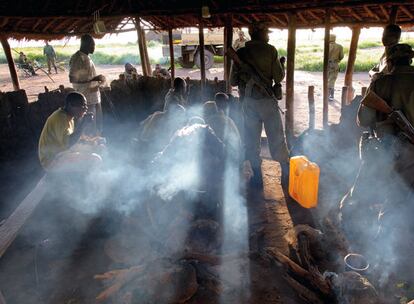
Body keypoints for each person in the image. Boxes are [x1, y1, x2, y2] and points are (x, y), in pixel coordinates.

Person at [230, 21, 289, 188]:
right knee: (277, 138)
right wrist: (281, 65)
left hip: (248, 103)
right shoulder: (270, 50)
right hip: (267, 103)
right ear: (261, 34)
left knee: (251, 140)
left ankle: (257, 181)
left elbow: (233, 81)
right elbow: (278, 77)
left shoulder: (240, 53)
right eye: (267, 33)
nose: (269, 36)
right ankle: (286, 176)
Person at [358, 43, 414, 190]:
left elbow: (363, 120)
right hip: (408, 154)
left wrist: (376, 84)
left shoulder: (380, 83)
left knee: (362, 195)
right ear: (410, 60)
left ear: (389, 62)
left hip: (386, 152)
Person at [38, 92, 102, 172]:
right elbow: (68, 143)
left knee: (99, 147)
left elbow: (72, 137)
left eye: (86, 105)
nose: (86, 108)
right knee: (95, 159)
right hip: (52, 160)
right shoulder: (60, 119)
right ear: (71, 105)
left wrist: (92, 141)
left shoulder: (68, 116)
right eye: (82, 105)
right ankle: (87, 181)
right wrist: (83, 124)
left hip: (61, 152)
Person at [69, 34, 106, 136]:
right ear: (87, 45)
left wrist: (97, 81)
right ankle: (91, 143)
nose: (94, 47)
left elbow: (88, 77)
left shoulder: (87, 57)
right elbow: (72, 78)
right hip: (85, 98)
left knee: (98, 123)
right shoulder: (77, 58)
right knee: (89, 125)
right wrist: (94, 79)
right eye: (93, 45)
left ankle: (98, 140)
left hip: (94, 96)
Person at [328, 34, 344, 101]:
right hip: (335, 65)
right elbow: (341, 56)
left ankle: (326, 94)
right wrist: (337, 60)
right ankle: (331, 95)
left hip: (327, 64)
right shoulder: (339, 46)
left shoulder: (326, 46)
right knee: (332, 80)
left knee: (327, 79)